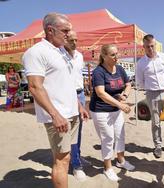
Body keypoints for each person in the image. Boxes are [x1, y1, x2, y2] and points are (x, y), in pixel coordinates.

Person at [22, 13, 89, 188]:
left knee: (64, 156)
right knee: (62, 161)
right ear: (50, 30)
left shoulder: (61, 52)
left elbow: (66, 83)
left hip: (71, 112)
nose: (68, 34)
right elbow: (35, 87)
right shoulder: (36, 52)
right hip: (58, 116)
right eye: (65, 30)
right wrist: (55, 115)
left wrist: (79, 105)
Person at [89, 44, 135, 181]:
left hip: (115, 109)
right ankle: (107, 168)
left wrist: (124, 96)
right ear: (104, 56)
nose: (117, 57)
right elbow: (101, 93)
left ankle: (120, 161)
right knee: (108, 138)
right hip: (101, 110)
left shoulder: (120, 69)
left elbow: (128, 84)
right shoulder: (99, 72)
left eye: (117, 53)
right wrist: (120, 105)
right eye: (113, 54)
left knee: (120, 135)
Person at [64, 30, 90, 181]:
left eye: (76, 40)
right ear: (65, 39)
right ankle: (76, 164)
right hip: (67, 94)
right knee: (71, 130)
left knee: (79, 129)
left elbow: (78, 77)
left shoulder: (79, 56)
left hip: (80, 94)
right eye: (71, 40)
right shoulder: (60, 55)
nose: (74, 43)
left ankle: (77, 157)